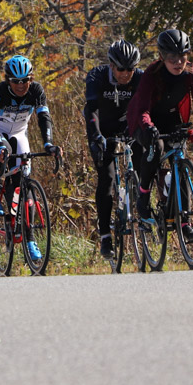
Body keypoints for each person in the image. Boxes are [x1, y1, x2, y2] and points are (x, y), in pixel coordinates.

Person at [127, 31, 193, 245]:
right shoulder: (151, 74)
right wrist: (149, 127)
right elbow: (142, 108)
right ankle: (143, 197)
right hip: (144, 119)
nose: (178, 62)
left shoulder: (192, 73)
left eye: (182, 56)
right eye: (172, 58)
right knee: (157, 148)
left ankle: (185, 224)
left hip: (173, 120)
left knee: (180, 164)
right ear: (162, 57)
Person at [0, 55, 61, 262]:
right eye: (16, 81)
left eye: (25, 80)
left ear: (31, 79)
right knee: (4, 151)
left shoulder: (36, 91)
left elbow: (44, 118)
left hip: (19, 133)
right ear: (8, 80)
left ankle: (29, 238)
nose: (21, 85)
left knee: (24, 181)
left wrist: (48, 144)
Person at [83, 40, 145, 259]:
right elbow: (92, 110)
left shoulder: (140, 77)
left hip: (128, 124)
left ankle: (144, 210)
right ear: (111, 65)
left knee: (143, 166)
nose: (126, 73)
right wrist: (97, 136)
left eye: (131, 68)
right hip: (101, 126)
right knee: (107, 178)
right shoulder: (97, 76)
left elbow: (146, 107)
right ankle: (105, 236)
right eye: (121, 69)